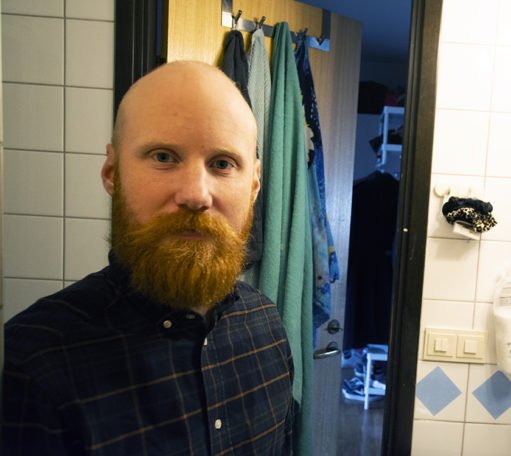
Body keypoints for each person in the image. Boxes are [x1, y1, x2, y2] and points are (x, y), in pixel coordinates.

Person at [2, 61, 294, 455]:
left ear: (254, 184)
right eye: (163, 157)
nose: (196, 195)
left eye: (222, 164)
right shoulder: (31, 363)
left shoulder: (267, 326)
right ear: (112, 172)